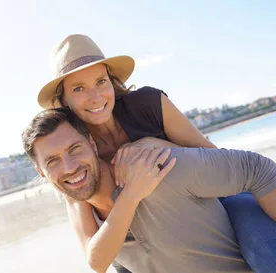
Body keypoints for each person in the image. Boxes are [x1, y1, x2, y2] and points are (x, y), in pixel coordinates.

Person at [36, 34, 276, 272]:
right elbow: (98, 245)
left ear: (111, 81)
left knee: (259, 245)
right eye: (79, 88)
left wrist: (155, 144)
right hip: (167, 234)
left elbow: (213, 155)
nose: (96, 96)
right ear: (64, 99)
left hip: (224, 198)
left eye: (101, 81)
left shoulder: (147, 104)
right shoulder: (77, 148)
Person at [21, 107, 276, 273]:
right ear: (42, 174)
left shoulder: (155, 167)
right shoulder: (95, 226)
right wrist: (130, 196)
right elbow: (108, 263)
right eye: (52, 161)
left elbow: (256, 168)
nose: (69, 167)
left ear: (92, 143)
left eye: (74, 149)